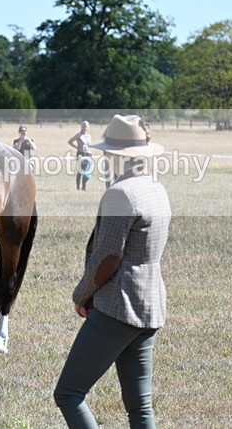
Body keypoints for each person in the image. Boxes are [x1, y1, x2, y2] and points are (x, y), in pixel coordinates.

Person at [54, 114, 171, 429]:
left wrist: (82, 295)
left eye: (108, 153)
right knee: (140, 408)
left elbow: (107, 260)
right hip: (151, 306)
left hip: (118, 306)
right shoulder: (156, 189)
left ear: (119, 156)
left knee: (68, 394)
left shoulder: (120, 194)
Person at [68, 121, 93, 191]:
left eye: (86, 126)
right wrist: (76, 147)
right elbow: (70, 141)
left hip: (88, 154)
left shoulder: (89, 136)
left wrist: (91, 153)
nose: (84, 128)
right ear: (81, 127)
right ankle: (78, 187)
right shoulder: (78, 135)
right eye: (83, 126)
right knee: (80, 171)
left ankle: (84, 186)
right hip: (81, 154)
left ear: (88, 128)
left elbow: (89, 146)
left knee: (87, 171)